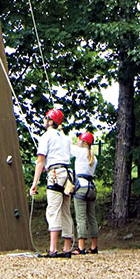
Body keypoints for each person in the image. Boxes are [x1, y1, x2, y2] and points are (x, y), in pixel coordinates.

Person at [29, 108, 75, 258]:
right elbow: (60, 158)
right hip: (67, 175)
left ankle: (53, 249)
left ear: (50, 121)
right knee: (65, 210)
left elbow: (40, 161)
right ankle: (67, 249)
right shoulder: (65, 137)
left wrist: (34, 183)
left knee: (53, 209)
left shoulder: (46, 136)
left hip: (55, 174)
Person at [71, 131, 99, 255]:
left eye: (79, 140)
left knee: (81, 218)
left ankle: (81, 247)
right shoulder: (94, 157)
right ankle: (94, 247)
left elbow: (67, 146)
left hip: (81, 188)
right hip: (91, 188)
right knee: (92, 218)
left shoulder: (80, 152)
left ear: (83, 143)